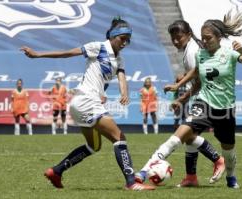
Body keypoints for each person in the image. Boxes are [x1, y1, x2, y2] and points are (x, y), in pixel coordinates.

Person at [20, 17, 154, 191]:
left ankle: (57, 171)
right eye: (122, 38)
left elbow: (121, 77)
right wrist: (38, 55)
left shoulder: (119, 59)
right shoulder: (98, 47)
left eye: (128, 40)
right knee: (119, 138)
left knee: (94, 146)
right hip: (86, 101)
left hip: (82, 103)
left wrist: (124, 93)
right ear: (113, 36)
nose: (125, 43)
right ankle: (131, 182)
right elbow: (67, 53)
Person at [162, 12, 242, 188]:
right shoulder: (201, 54)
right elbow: (196, 72)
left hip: (226, 107)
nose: (204, 42)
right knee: (188, 131)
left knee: (228, 148)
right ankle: (188, 174)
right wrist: (179, 85)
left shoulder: (230, 54)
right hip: (204, 102)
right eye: (203, 38)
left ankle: (231, 176)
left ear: (219, 37)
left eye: (208, 38)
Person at [135, 20, 225, 188]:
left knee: (176, 139)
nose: (176, 41)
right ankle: (191, 177)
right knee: (190, 137)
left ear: (188, 35)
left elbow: (200, 82)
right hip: (206, 100)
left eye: (179, 37)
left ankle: (143, 172)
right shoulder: (191, 48)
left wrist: (180, 98)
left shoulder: (192, 52)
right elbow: (198, 75)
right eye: (173, 38)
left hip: (208, 101)